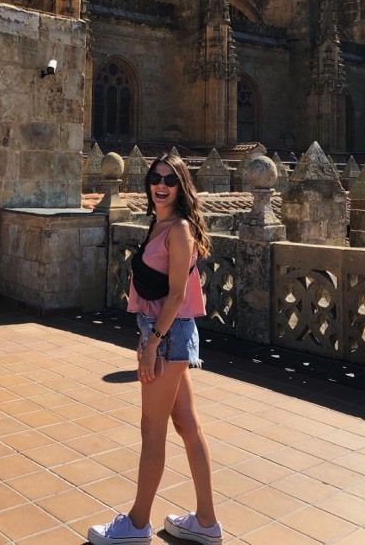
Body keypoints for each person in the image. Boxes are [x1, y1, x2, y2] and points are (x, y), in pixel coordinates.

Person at [88, 153, 223, 545]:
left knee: (153, 431)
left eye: (170, 180)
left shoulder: (178, 229)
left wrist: (152, 344)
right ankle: (206, 522)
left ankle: (137, 523)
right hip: (168, 334)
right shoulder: (161, 223)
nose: (160, 185)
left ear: (182, 186)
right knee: (187, 426)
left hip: (168, 336)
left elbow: (178, 293)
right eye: (155, 178)